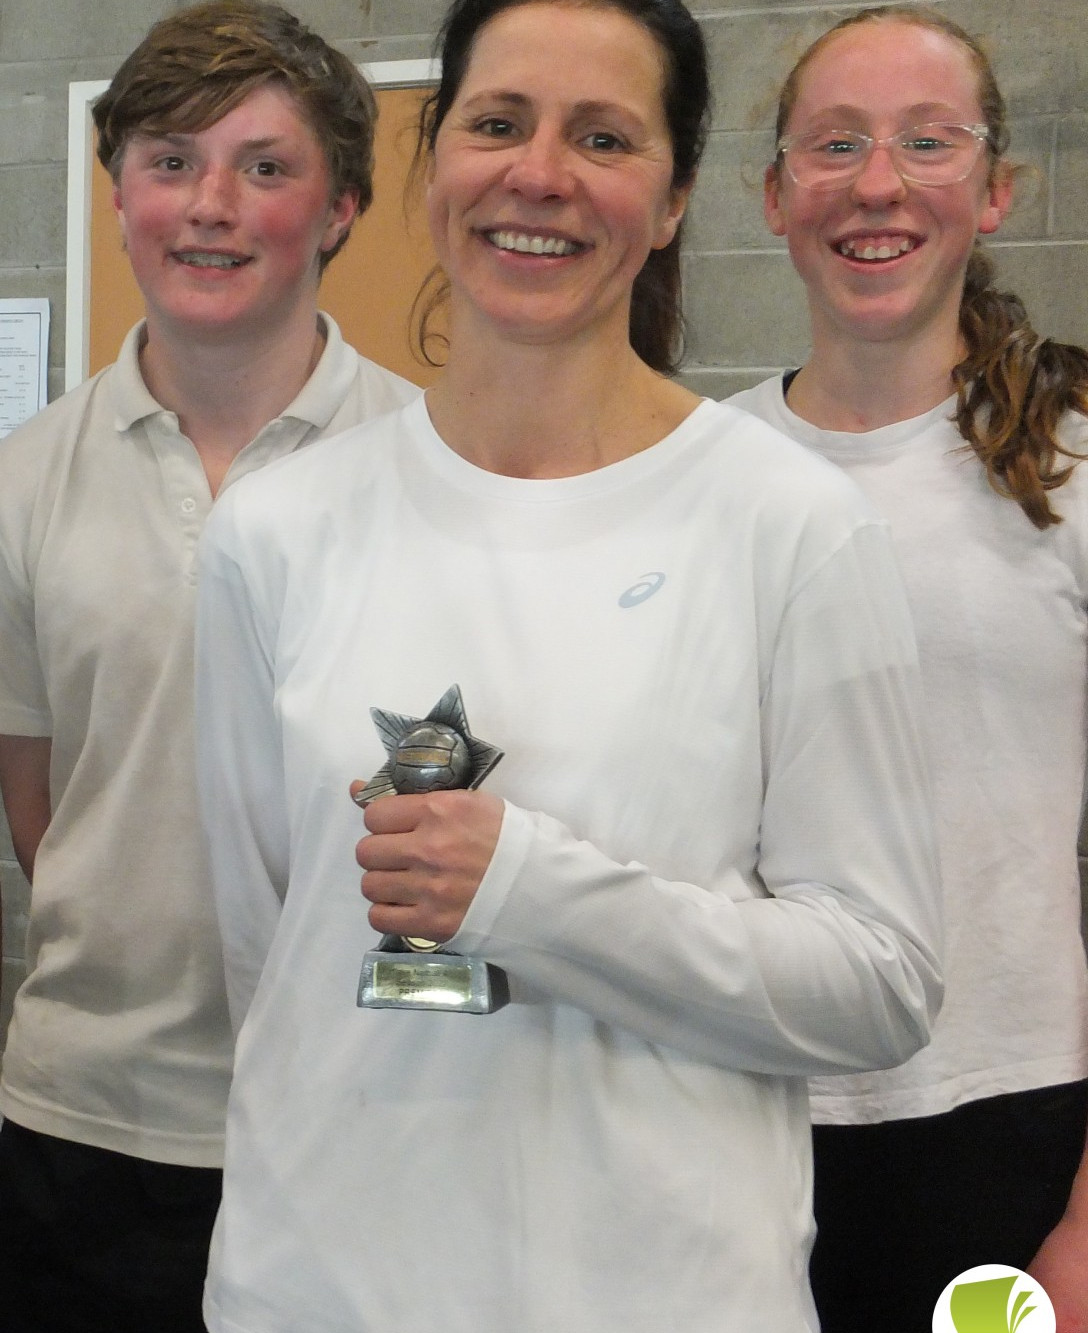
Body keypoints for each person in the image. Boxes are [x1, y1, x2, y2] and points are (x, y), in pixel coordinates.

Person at [191, 0, 943, 1327]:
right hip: (322, 1285)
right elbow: (279, 953)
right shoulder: (275, 529)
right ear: (435, 172)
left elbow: (879, 985)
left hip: (656, 1291)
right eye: (497, 124)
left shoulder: (790, 526)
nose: (539, 175)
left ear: (672, 200)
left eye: (602, 136)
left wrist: (530, 895)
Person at [0, 4, 417, 1328]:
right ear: (118, 193)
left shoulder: (433, 468)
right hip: (87, 1122)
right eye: (170, 160)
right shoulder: (21, 484)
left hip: (361, 1106)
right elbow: (43, 816)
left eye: (265, 167)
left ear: (340, 209)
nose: (212, 205)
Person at [725, 9, 1088, 1327]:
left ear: (993, 190)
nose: (877, 184)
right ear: (775, 195)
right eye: (836, 145)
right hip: (743, 1117)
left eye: (928, 142)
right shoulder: (699, 478)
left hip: (1012, 1124)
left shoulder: (1070, 469)